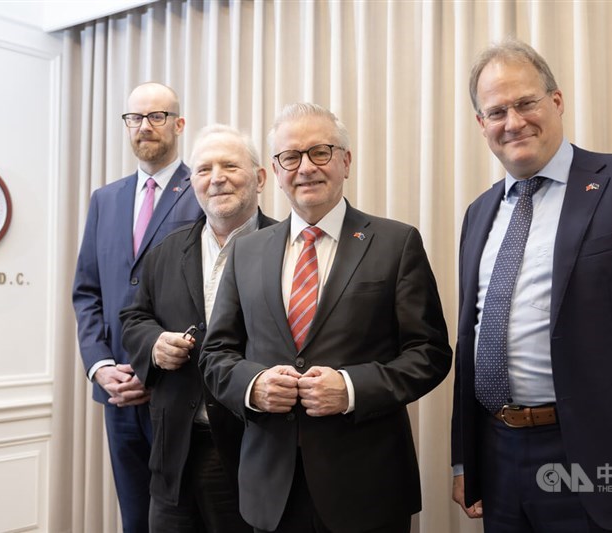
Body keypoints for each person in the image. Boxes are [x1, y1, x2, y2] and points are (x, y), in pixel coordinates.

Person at [451, 39, 612, 533]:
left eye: (526, 102)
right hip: (499, 457)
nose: (514, 121)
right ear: (481, 125)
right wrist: (467, 462)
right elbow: (472, 340)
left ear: (557, 101)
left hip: (601, 460)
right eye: (497, 111)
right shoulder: (479, 213)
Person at [199, 103, 452, 533]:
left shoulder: (396, 243)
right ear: (275, 172)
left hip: (367, 486)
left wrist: (351, 388)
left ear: (345, 161)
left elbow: (429, 354)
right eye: (290, 157)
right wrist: (255, 386)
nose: (305, 168)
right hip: (271, 488)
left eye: (320, 152)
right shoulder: (247, 252)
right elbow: (216, 354)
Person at [120, 124, 275, 532]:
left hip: (252, 450)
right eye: (204, 169)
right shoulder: (166, 251)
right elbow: (132, 319)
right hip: (174, 453)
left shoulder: (286, 246)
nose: (216, 177)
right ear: (192, 183)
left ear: (260, 178)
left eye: (230, 166)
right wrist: (153, 344)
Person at [72, 82, 203, 532]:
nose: (144, 127)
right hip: (116, 393)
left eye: (157, 116)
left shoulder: (202, 191)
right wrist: (100, 366)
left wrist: (155, 366)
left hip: (176, 392)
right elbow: (87, 292)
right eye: (135, 118)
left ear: (179, 124)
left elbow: (211, 292)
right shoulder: (104, 200)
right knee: (134, 519)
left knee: (182, 519)